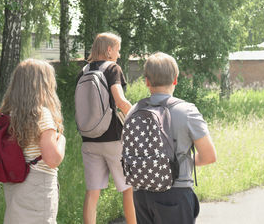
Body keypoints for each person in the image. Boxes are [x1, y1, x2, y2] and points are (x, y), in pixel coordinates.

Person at [131, 52, 217, 224]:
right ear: (175, 79)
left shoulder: (133, 111)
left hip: (141, 193)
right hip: (175, 193)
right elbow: (209, 156)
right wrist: (184, 161)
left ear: (147, 81)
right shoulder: (187, 111)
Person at [77, 32, 136, 224]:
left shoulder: (84, 71)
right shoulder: (112, 69)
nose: (119, 54)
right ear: (109, 50)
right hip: (113, 139)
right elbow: (119, 100)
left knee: (92, 192)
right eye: (118, 50)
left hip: (89, 139)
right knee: (128, 188)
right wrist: (135, 114)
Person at [0, 59, 66, 224]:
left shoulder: (7, 114)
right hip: (38, 184)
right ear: (42, 85)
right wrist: (61, 139)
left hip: (14, 183)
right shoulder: (41, 115)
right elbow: (52, 160)